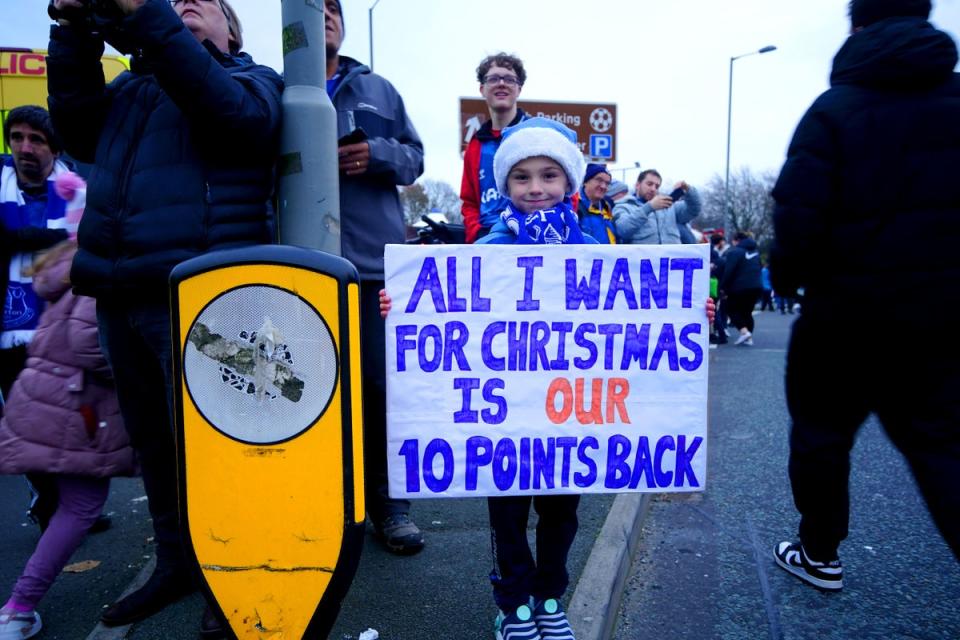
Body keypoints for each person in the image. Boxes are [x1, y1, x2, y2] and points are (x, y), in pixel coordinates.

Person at [381, 118, 715, 639]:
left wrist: (688, 309)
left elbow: (634, 318)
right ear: (505, 186)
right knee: (507, 518)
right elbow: (448, 314)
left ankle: (550, 597)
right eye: (522, 178)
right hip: (504, 426)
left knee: (563, 517)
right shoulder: (485, 251)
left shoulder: (596, 248)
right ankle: (512, 602)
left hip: (570, 424)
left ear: (570, 183)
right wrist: (401, 305)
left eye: (549, 175)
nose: (536, 189)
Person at [46, 0, 283, 630]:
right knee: (155, 444)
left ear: (233, 32)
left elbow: (236, 122)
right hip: (121, 294)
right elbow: (74, 129)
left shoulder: (252, 81)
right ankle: (177, 562)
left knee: (218, 449)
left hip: (204, 297)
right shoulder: (132, 87)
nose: (184, 4)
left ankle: (230, 575)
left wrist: (151, 19)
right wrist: (73, 30)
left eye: (202, 2)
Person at [770, 0, 960, 591]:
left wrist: (786, 281)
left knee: (822, 437)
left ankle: (820, 552)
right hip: (944, 314)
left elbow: (798, 215)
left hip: (842, 314)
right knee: (944, 447)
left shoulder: (833, 110)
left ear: (856, 25)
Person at [0, 173, 136, 640]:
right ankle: (17, 607)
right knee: (79, 508)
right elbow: (88, 342)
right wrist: (140, 361)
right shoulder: (96, 272)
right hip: (74, 408)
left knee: (73, 505)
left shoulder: (70, 264)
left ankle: (19, 606)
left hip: (51, 400)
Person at [323, 0, 427, 555]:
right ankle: (334, 506)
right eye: (315, 6)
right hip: (301, 269)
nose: (327, 14)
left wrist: (377, 152)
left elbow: (415, 157)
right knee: (315, 394)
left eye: (335, 7)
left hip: (371, 268)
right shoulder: (272, 89)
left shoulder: (380, 89)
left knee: (380, 391)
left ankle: (390, 505)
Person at [460, 53, 529, 244]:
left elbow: (566, 191)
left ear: (519, 89)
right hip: (488, 241)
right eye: (493, 79)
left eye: (509, 79)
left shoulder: (536, 135)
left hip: (533, 239)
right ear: (482, 89)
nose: (501, 83)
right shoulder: (475, 145)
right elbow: (469, 202)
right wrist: (476, 233)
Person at [613, 169, 701, 245]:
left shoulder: (669, 206)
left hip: (671, 262)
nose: (653, 189)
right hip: (644, 263)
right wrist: (649, 207)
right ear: (637, 185)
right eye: (649, 184)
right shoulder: (623, 206)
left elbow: (694, 209)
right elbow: (622, 230)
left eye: (657, 186)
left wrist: (688, 189)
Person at [718, 231, 763, 346]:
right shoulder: (755, 252)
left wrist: (723, 287)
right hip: (756, 286)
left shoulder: (735, 252)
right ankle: (748, 336)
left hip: (739, 286)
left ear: (736, 240)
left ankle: (744, 332)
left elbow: (729, 271)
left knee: (731, 308)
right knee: (747, 312)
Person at [576, 163, 618, 244]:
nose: (603, 186)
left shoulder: (607, 207)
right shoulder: (575, 206)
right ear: (585, 181)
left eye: (607, 183)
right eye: (599, 180)